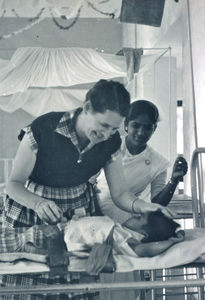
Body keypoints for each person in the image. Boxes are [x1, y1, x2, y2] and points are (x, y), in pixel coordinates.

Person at [1, 81, 173, 300]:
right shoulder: (43, 128)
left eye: (114, 128)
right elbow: (14, 184)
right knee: (28, 282)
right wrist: (39, 203)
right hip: (32, 209)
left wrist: (147, 206)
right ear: (88, 107)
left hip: (77, 214)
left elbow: (120, 194)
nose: (107, 134)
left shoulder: (110, 142)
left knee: (73, 287)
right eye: (103, 125)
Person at [98, 99, 188, 223]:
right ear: (126, 125)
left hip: (126, 213)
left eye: (147, 128)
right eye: (135, 125)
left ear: (154, 128)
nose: (141, 132)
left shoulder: (158, 163)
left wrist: (174, 180)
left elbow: (157, 203)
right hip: (96, 207)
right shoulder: (112, 145)